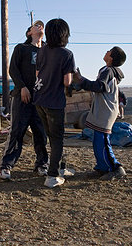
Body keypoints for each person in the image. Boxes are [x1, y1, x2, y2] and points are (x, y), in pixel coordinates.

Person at [0, 21, 49, 180]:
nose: (40, 27)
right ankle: (6, 166)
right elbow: (13, 69)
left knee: (41, 133)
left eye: (42, 26)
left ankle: (42, 164)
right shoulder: (22, 48)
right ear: (29, 33)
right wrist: (22, 87)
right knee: (17, 131)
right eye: (36, 25)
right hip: (22, 97)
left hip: (40, 99)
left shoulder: (48, 51)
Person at [33, 18, 76, 188]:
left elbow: (37, 74)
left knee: (50, 136)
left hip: (39, 99)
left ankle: (56, 167)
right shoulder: (67, 54)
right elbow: (67, 81)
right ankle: (52, 176)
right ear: (65, 35)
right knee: (57, 139)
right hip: (54, 102)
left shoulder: (41, 51)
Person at [73, 46, 127, 180]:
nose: (106, 52)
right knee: (99, 140)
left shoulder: (107, 71)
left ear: (111, 57)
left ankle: (115, 168)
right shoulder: (109, 71)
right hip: (106, 109)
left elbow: (99, 86)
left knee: (101, 141)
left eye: (109, 51)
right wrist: (81, 80)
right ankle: (102, 168)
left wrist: (81, 80)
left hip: (105, 110)